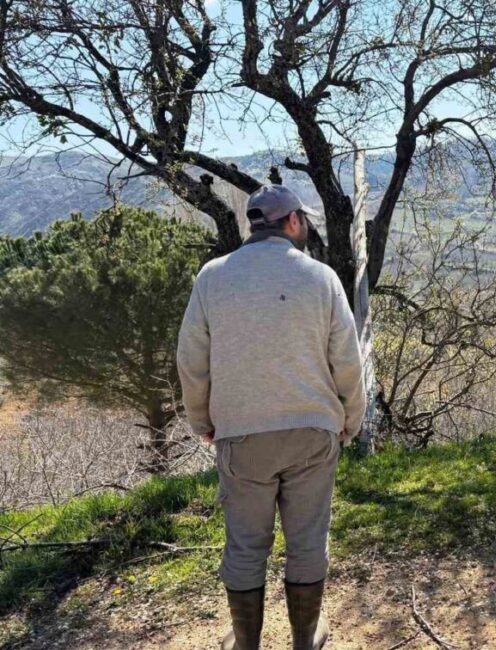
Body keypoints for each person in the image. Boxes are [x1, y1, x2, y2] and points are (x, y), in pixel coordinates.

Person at [177, 184, 367, 650]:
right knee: (307, 539)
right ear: (294, 222)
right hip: (312, 431)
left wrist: (202, 420)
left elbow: (192, 360)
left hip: (241, 434)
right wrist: (351, 418)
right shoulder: (321, 278)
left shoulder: (212, 277)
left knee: (245, 545)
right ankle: (305, 639)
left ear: (253, 225)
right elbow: (347, 360)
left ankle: (246, 643)